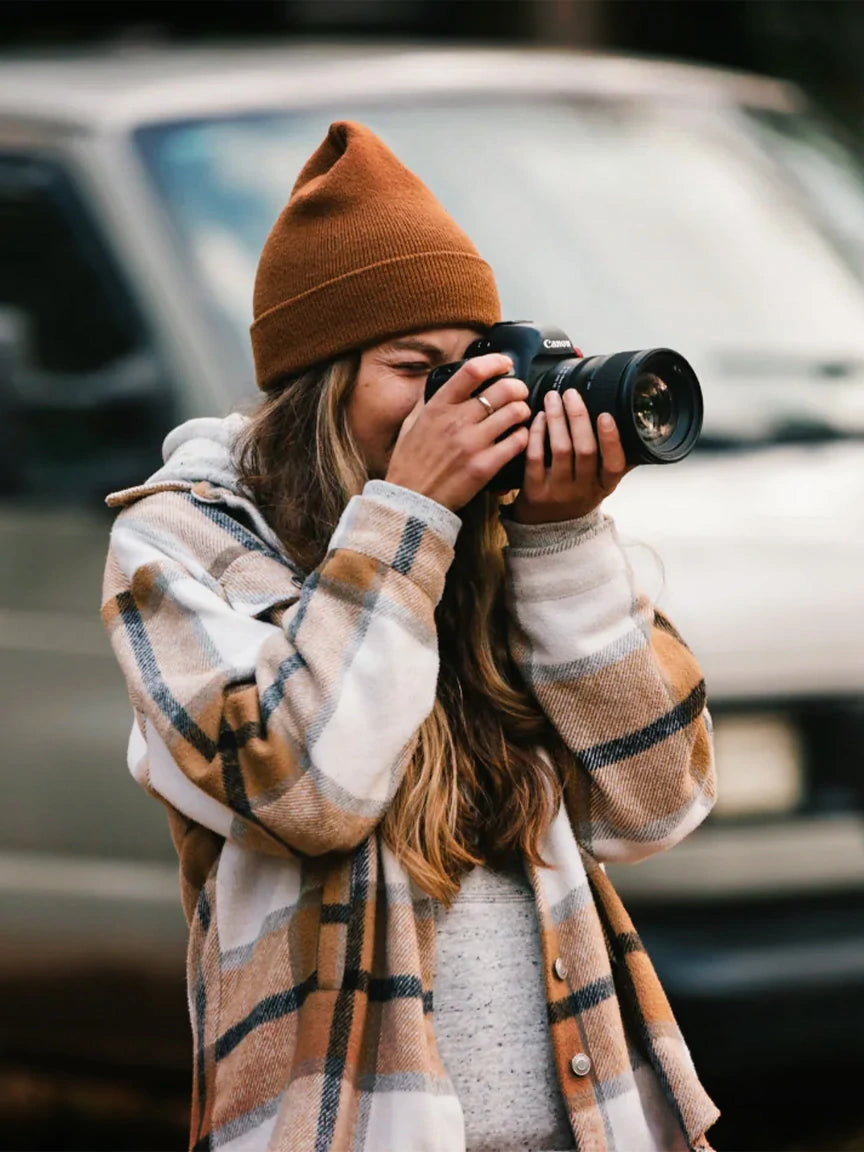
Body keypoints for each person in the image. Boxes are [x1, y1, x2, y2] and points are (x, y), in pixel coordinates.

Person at [101, 121, 719, 1152]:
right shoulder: (181, 543)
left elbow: (657, 807)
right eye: (418, 369)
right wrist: (407, 517)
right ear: (320, 383)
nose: (462, 401)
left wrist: (562, 540)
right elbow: (305, 792)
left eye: (476, 366)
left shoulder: (496, 550)